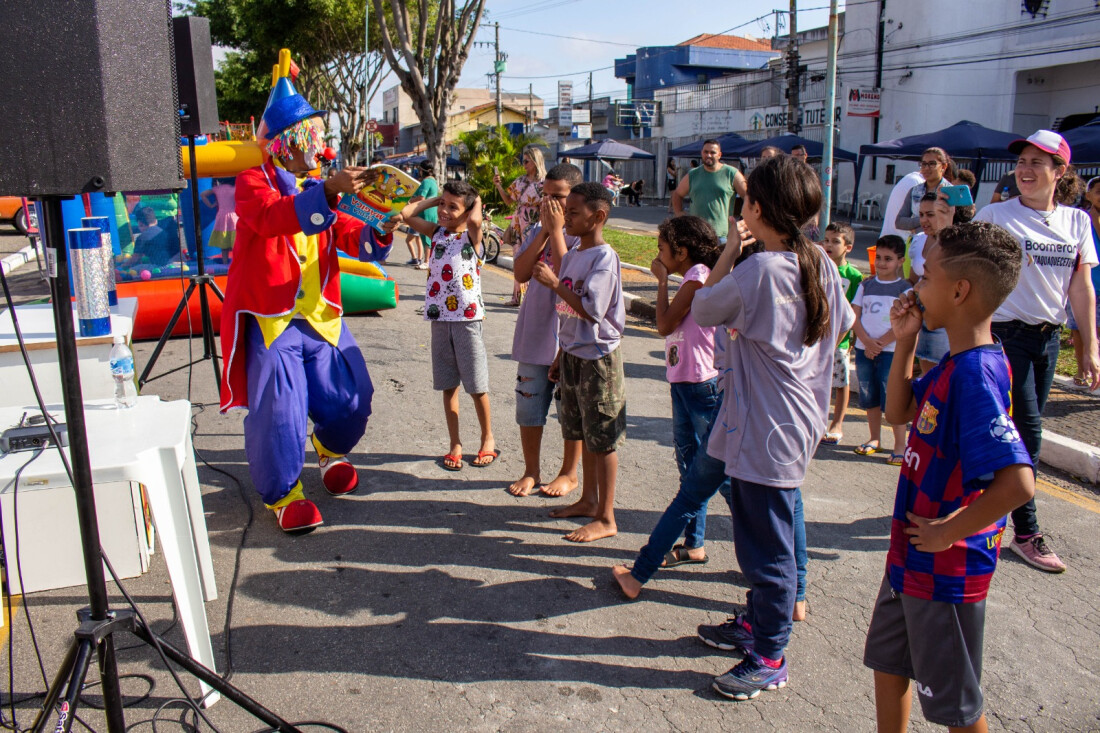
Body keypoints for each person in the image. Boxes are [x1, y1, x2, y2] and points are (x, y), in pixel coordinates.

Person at [685, 155, 853, 700]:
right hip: (794, 419)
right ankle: (758, 625)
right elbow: (844, 323)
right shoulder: (819, 261)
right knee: (762, 533)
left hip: (765, 426)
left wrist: (729, 252)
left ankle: (770, 656)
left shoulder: (758, 271)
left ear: (755, 209)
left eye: (745, 202)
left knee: (767, 548)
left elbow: (703, 308)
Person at [865, 222, 1036, 733]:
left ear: (959, 291)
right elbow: (899, 411)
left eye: (926, 276)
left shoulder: (974, 375)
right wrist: (905, 343)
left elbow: (1018, 483)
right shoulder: (953, 363)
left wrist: (948, 531)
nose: (915, 286)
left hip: (945, 569)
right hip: (911, 558)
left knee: (956, 708)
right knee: (889, 666)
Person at [218, 82, 393, 533]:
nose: (319, 150)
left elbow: (351, 232)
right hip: (272, 318)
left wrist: (382, 227)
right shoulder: (253, 181)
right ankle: (284, 493)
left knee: (353, 398)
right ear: (287, 144)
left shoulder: (319, 185)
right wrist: (329, 190)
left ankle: (330, 449)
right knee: (280, 412)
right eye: (310, 141)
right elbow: (271, 217)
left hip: (318, 315)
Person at [974, 129, 1099, 572]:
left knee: (1016, 430)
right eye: (1021, 162)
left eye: (1036, 163)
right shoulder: (996, 214)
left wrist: (1090, 347)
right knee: (1027, 433)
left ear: (1060, 172)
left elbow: (1081, 287)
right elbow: (970, 267)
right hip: (1006, 335)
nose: (1025, 170)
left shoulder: (1077, 222)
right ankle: (1026, 532)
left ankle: (983, 507)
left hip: (1049, 339)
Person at [611, 216, 726, 591]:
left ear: (682, 251)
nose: (658, 256)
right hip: (685, 382)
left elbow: (663, 324)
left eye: (663, 249)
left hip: (700, 384)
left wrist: (661, 281)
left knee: (715, 475)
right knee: (691, 466)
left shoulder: (697, 278)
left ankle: (760, 550)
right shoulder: (693, 274)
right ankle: (694, 544)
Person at [532, 182, 625, 543]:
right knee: (584, 433)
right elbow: (568, 312)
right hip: (573, 354)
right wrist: (561, 352)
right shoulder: (573, 253)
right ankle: (588, 500)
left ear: (597, 216)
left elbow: (591, 309)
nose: (565, 217)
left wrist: (555, 283)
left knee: (602, 438)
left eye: (573, 212)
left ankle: (606, 516)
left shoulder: (605, 258)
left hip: (598, 359)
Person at [391, 182, 497, 471]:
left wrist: (476, 201)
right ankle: (455, 443)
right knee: (448, 385)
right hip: (439, 319)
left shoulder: (473, 237)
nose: (444, 211)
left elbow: (475, 221)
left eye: (453, 207)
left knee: (476, 385)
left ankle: (488, 437)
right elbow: (407, 214)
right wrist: (436, 198)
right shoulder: (436, 233)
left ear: (468, 210)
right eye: (443, 205)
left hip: (467, 320)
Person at [507, 163, 584, 498]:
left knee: (570, 407)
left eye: (559, 197)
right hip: (536, 329)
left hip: (570, 334)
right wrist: (543, 232)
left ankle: (569, 473)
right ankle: (531, 470)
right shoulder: (540, 228)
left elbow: (568, 277)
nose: (551, 203)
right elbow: (521, 273)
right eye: (546, 195)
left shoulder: (582, 234)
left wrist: (556, 232)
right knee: (529, 401)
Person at [851, 235, 911, 465]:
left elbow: (904, 322)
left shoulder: (905, 289)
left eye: (888, 258)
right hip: (864, 349)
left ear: (900, 261)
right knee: (869, 396)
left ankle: (900, 445)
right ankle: (874, 438)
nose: (882, 263)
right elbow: (854, 316)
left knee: (893, 398)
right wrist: (866, 342)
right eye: (879, 257)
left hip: (890, 352)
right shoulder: (865, 285)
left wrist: (880, 343)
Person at [820, 222, 862, 445]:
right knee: (820, 382)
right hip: (819, 336)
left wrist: (852, 338)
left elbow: (855, 310)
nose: (829, 245)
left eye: (836, 241)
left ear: (848, 247)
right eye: (826, 240)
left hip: (841, 340)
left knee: (840, 381)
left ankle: (837, 423)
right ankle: (819, 421)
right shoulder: (817, 267)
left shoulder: (853, 276)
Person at [495, 146, 546, 306]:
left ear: (535, 162)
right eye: (523, 161)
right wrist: (498, 186)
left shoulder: (544, 183)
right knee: (518, 259)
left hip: (534, 224)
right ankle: (516, 297)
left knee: (534, 260)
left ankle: (532, 298)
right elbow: (508, 201)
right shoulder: (520, 181)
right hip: (518, 223)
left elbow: (545, 205)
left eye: (526, 161)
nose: (523, 165)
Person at [672, 139, 748, 244]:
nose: (708, 155)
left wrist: (745, 218)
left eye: (712, 152)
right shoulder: (693, 175)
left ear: (719, 155)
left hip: (721, 236)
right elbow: (677, 194)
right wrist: (679, 213)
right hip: (696, 234)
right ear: (701, 153)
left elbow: (748, 196)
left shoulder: (731, 173)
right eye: (706, 152)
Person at [1067, 176, 1100, 386]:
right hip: (1084, 284)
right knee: (1079, 329)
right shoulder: (1081, 220)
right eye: (1098, 192)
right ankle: (1081, 370)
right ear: (1088, 195)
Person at [895, 147, 951, 233]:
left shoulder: (950, 192)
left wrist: (916, 228)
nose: (926, 168)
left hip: (941, 240)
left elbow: (955, 224)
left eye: (932, 164)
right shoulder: (914, 191)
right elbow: (899, 222)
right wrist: (924, 220)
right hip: (918, 240)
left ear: (943, 166)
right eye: (924, 164)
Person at [403, 160, 437, 270]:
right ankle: (428, 260)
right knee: (427, 235)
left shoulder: (426, 182)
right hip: (431, 209)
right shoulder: (433, 181)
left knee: (425, 235)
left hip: (425, 210)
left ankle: (427, 261)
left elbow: (421, 197)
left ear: (422, 170)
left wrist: (409, 202)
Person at [199, 176, 238, 263]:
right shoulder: (235, 188)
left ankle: (225, 262)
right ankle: (236, 262)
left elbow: (202, 195)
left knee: (223, 243)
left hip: (221, 216)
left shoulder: (217, 189)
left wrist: (211, 205)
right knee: (235, 241)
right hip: (234, 216)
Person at [880, 171, 926, 240]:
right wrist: (923, 223)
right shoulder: (919, 185)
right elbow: (899, 221)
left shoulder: (910, 178)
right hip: (902, 240)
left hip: (889, 238)